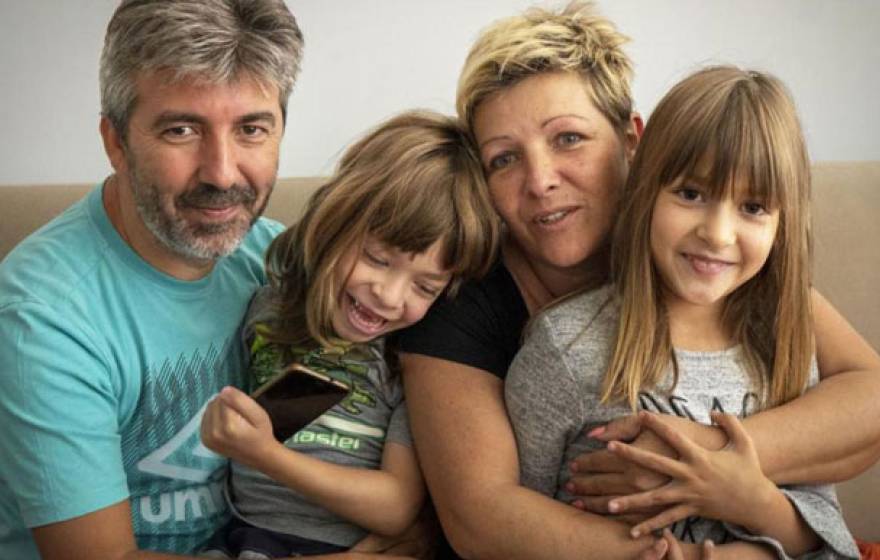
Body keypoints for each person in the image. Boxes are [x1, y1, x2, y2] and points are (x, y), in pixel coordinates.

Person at [397, 3, 880, 559]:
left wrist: (696, 456)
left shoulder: (710, 261)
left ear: (632, 142)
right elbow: (484, 521)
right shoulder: (465, 303)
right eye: (504, 159)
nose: (540, 181)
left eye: (568, 139)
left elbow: (865, 399)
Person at [0, 1, 397, 558]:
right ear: (115, 141)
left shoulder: (279, 263)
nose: (223, 173)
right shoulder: (44, 316)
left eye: (252, 129)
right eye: (181, 129)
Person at [505, 65, 859, 559]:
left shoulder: (787, 341)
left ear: (784, 222)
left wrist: (747, 500)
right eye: (691, 194)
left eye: (753, 207)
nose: (718, 233)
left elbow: (818, 532)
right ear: (646, 188)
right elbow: (523, 524)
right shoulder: (567, 348)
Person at [198, 110, 498, 558]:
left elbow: (395, 507)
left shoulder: (406, 360)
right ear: (332, 225)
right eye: (377, 259)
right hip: (244, 538)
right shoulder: (266, 310)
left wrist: (267, 455)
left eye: (425, 286)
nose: (389, 296)